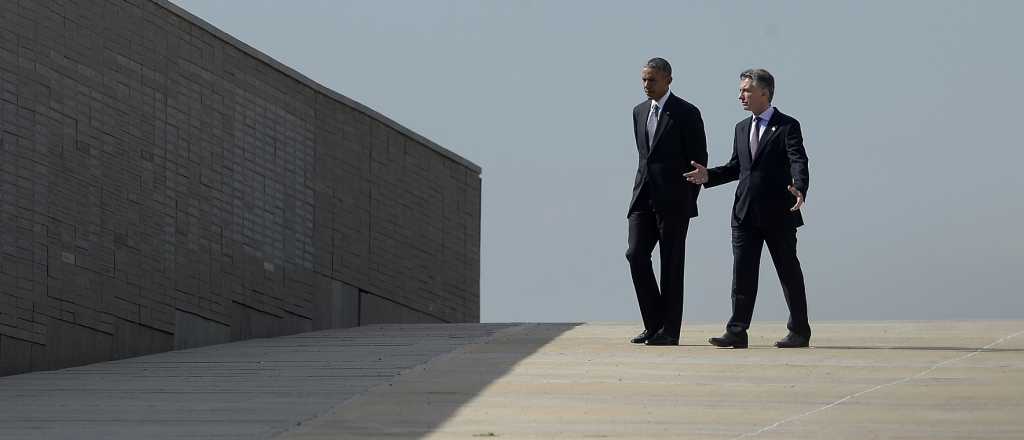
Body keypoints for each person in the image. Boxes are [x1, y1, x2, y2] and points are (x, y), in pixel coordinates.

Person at [684, 68, 812, 348]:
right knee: (742, 274)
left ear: (764, 93)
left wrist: (800, 187)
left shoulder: (788, 126)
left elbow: (798, 160)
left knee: (788, 272)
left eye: (746, 90)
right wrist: (710, 176)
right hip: (744, 214)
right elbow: (736, 168)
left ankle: (800, 331)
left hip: (779, 213)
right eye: (741, 90)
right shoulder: (741, 128)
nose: (740, 95)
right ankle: (737, 331)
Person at [626, 58, 708, 346]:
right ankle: (654, 324)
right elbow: (644, 158)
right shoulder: (638, 112)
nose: (647, 85)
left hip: (674, 201)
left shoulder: (686, 112)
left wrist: (687, 200)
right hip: (642, 198)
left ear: (668, 80)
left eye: (652, 80)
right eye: (644, 80)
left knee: (671, 265)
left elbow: (699, 162)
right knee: (635, 255)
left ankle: (670, 331)